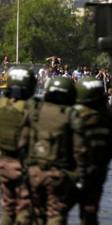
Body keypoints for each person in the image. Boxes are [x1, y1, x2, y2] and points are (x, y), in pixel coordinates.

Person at [19, 77, 79, 225]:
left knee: (35, 214)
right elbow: (80, 150)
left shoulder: (36, 111)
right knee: (55, 215)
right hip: (57, 174)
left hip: (33, 172)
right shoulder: (71, 115)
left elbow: (22, 142)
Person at [0, 66, 37, 225]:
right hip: (23, 165)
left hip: (4, 163)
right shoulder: (31, 108)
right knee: (24, 212)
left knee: (8, 209)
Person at [73, 77, 112, 225]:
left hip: (72, 171)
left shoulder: (72, 114)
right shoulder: (107, 117)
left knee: (55, 213)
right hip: (96, 172)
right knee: (90, 213)